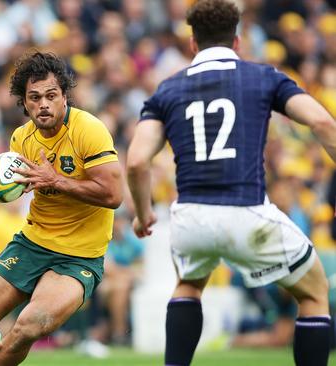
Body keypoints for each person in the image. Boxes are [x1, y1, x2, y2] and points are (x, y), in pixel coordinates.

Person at [126, 1, 336, 365]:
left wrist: (143, 214)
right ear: (237, 42)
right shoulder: (264, 76)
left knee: (189, 285)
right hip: (246, 210)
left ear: (192, 43)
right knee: (315, 292)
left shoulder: (168, 89)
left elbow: (136, 161)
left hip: (191, 217)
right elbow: (322, 123)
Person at [0, 51, 123, 366]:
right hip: (32, 243)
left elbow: (113, 195)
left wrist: (57, 180)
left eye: (51, 96)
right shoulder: (21, 138)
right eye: (35, 97)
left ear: (64, 97)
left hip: (78, 257)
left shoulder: (89, 130)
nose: (44, 104)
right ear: (24, 103)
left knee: (27, 327)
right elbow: (21, 187)